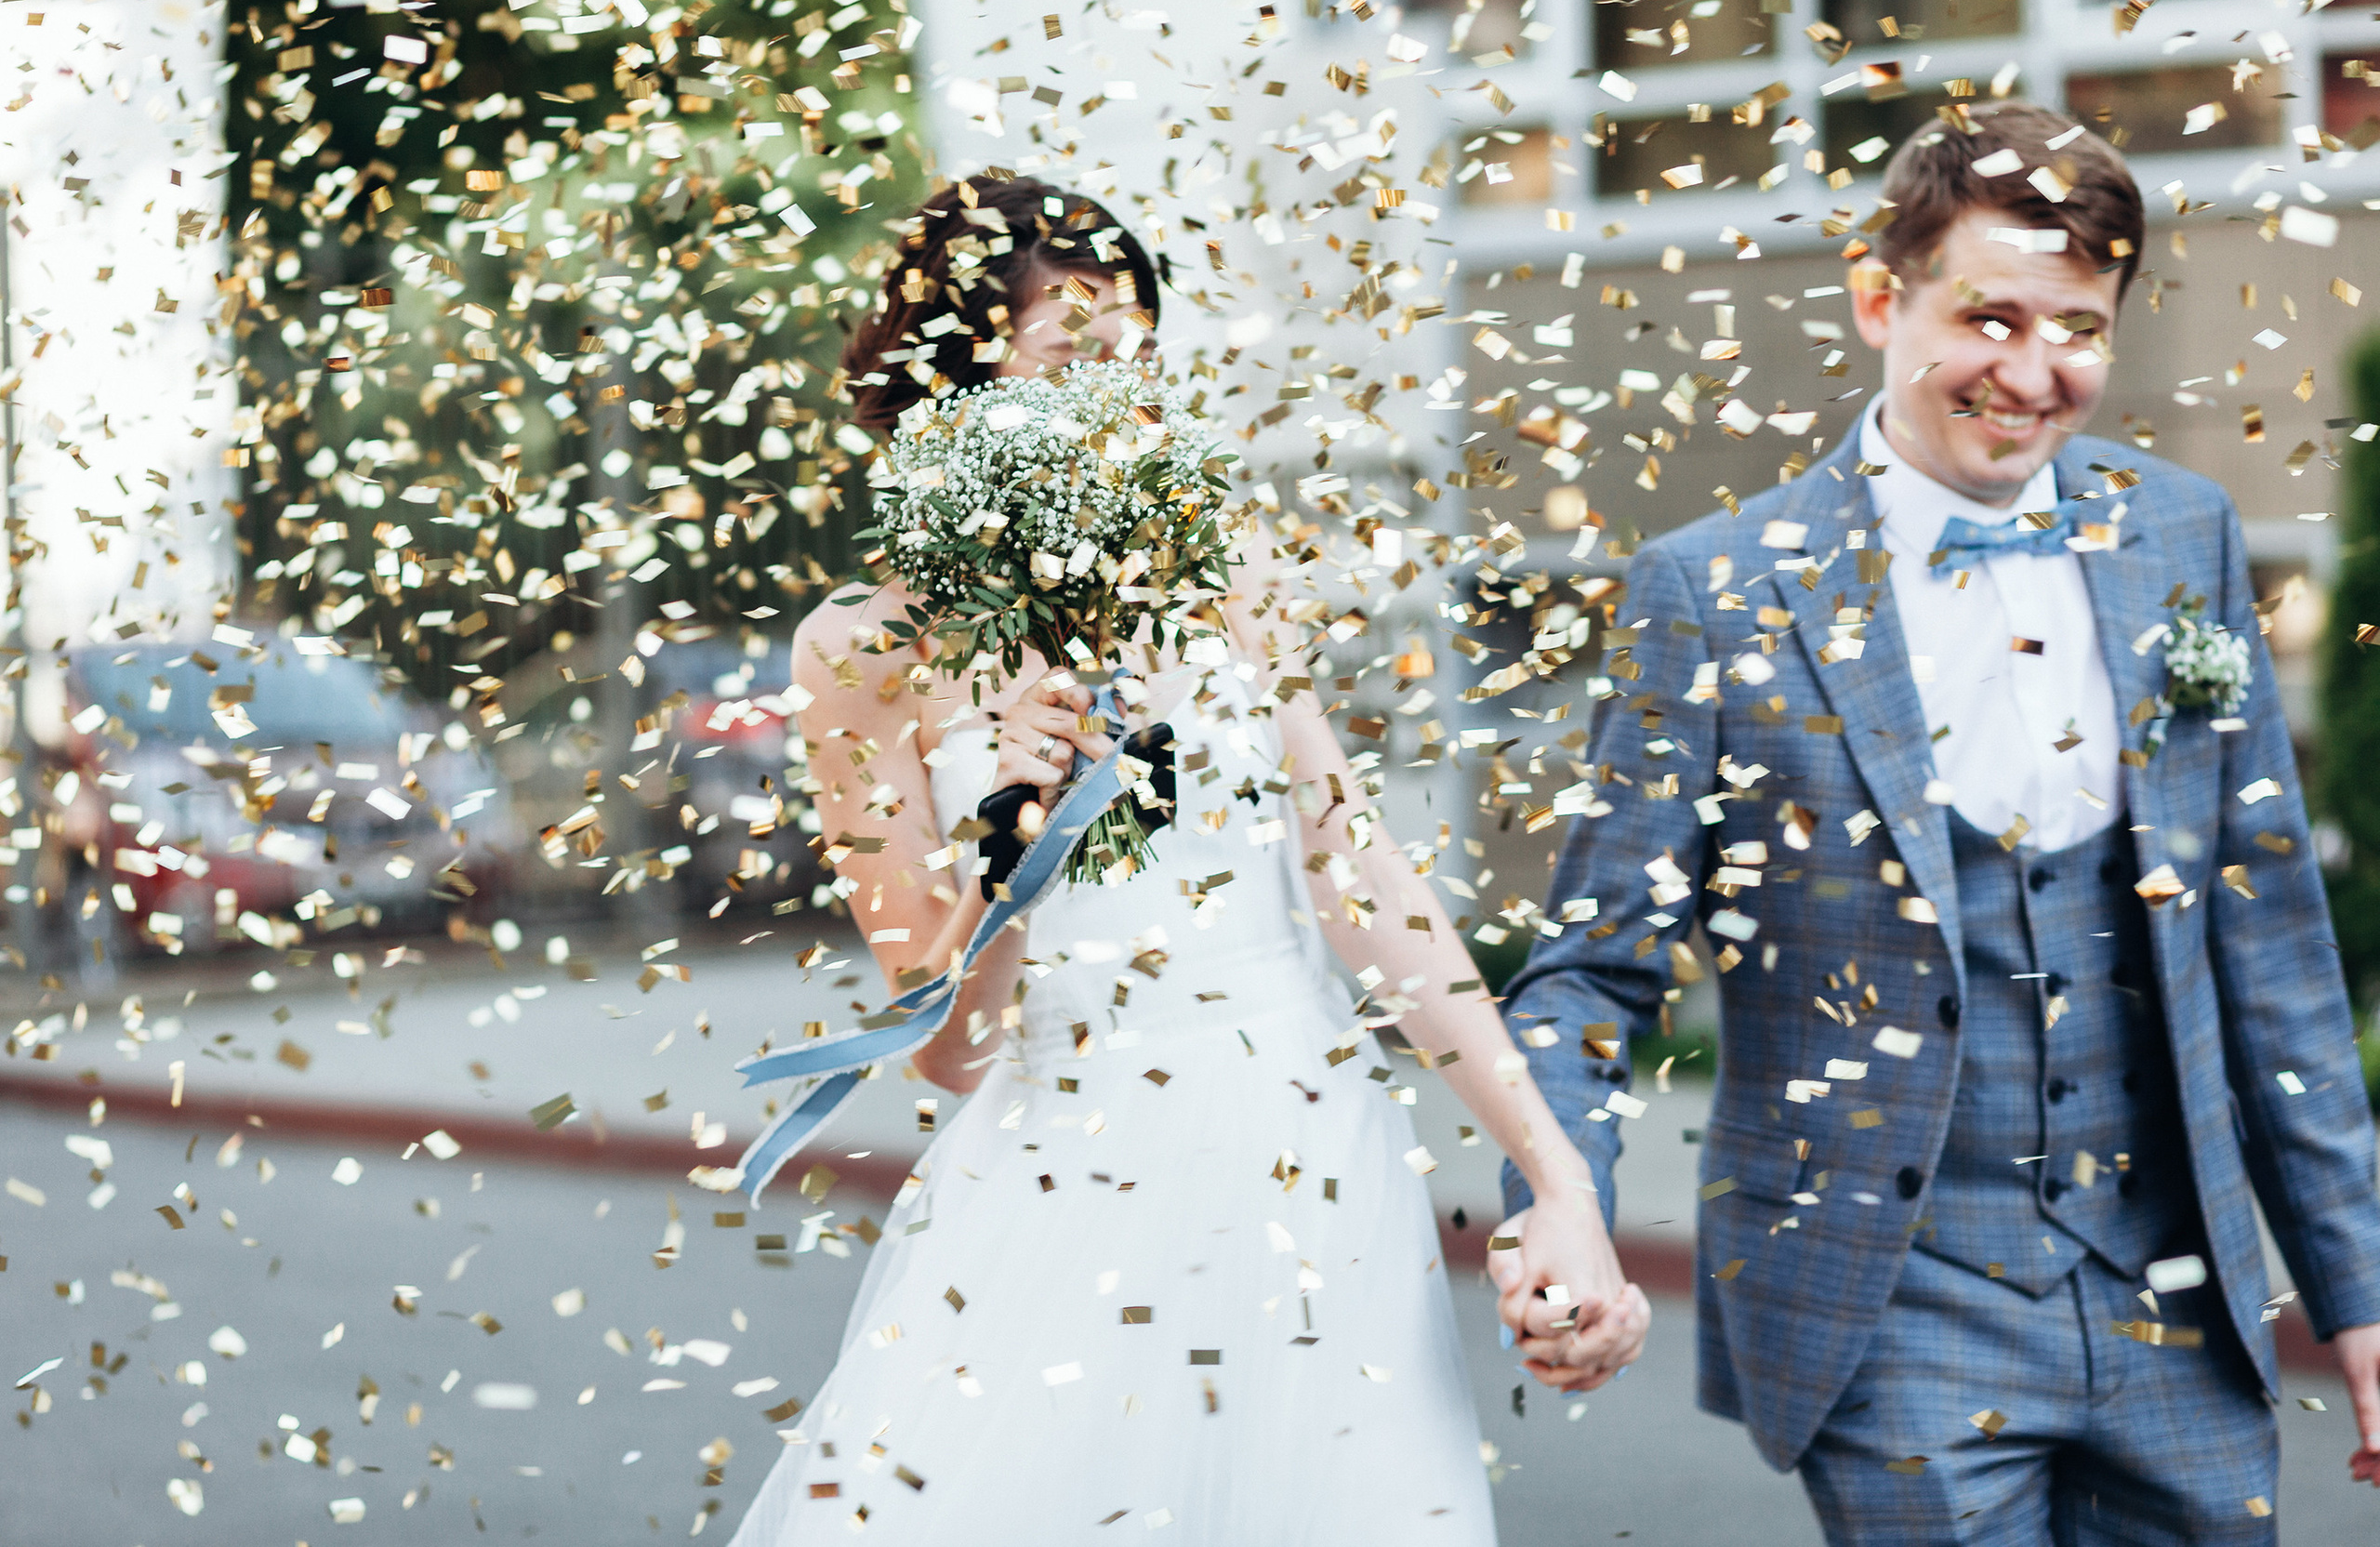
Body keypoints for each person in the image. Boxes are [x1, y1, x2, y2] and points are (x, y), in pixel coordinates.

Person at [1495, 100, 2380, 1541]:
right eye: (1990, 316)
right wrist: (1566, 1203)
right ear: (1876, 298)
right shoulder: (1713, 592)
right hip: (1896, 1303)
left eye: (2079, 328)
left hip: (2176, 1299)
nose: (2033, 374)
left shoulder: (2184, 534)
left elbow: (2269, 953)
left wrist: (2362, 1297)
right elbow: (1592, 972)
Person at [726, 174, 1644, 1544]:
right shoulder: (863, 649)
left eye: (1139, 355)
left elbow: (1365, 883)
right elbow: (949, 1050)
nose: (1119, 391)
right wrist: (1012, 837)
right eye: (1073, 349)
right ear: (955, 376)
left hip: (1305, 1155)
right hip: (1055, 1188)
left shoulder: (1229, 578)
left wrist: (1557, 1177)